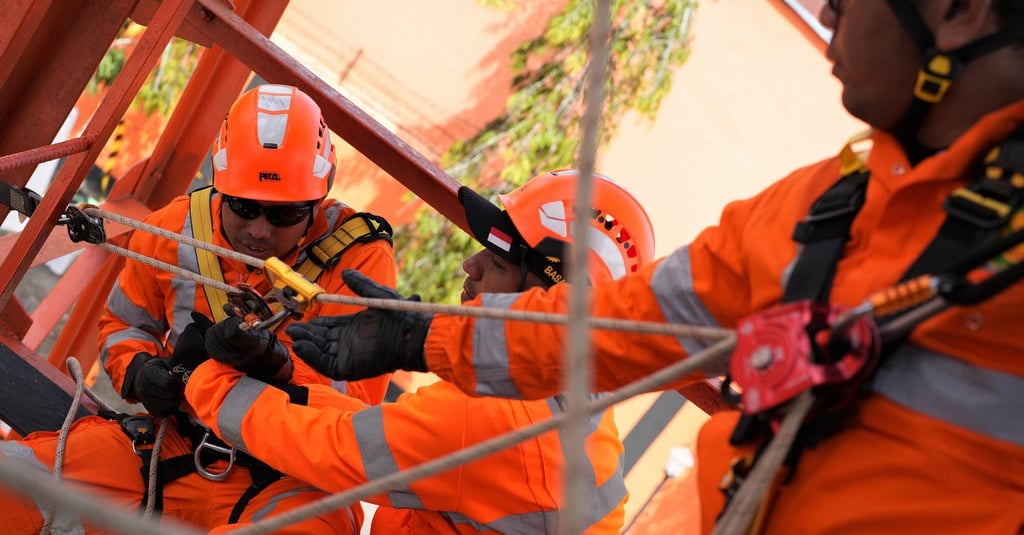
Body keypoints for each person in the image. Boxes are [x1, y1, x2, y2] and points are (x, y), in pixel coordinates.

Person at [281, 2, 1024, 534]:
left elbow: (342, 450)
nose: (828, 12)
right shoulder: (828, 203)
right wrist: (422, 341)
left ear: (959, 11)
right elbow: (611, 328)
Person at [0, 84, 396, 533]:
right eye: (244, 207)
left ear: (316, 202)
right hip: (171, 448)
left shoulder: (357, 259)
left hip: (290, 479)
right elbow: (125, 324)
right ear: (221, 187)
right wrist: (141, 372)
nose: (260, 231)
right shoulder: (177, 228)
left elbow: (357, 409)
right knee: (16, 484)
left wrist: (280, 368)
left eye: (284, 215)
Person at [184, 169, 656, 533]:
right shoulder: (571, 397)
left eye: (494, 262)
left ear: (547, 299)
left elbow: (337, 449)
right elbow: (381, 433)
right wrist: (282, 373)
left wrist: (205, 379)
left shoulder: (501, 416)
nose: (468, 267)